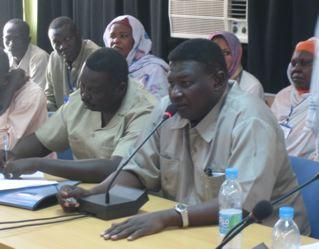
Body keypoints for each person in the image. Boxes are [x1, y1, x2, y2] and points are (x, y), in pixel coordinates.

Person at [57, 39, 309, 240]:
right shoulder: (168, 110)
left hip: (263, 237)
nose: (175, 93)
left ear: (218, 81)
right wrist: (92, 193)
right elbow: (137, 170)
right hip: (193, 229)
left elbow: (241, 205)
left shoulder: (249, 120)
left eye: (186, 83)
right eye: (171, 83)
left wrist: (167, 217)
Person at [2, 48, 156, 183]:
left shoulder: (145, 110)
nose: (84, 95)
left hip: (134, 199)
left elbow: (116, 168)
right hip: (80, 192)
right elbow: (42, 142)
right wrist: (10, 156)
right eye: (82, 86)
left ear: (120, 88)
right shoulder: (79, 100)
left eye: (94, 90)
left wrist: (37, 164)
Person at [103, 15, 169, 100]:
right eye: (112, 36)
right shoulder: (104, 68)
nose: (116, 41)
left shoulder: (154, 70)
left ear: (137, 40)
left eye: (123, 36)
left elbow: (159, 107)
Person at [271, 38, 316, 160]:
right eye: (294, 63)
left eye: (304, 63)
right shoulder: (283, 95)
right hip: (273, 165)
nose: (296, 69)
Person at [46, 16, 99, 111]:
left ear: (78, 35)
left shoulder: (95, 57)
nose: (62, 46)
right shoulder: (54, 58)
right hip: (60, 118)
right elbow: (49, 97)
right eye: (56, 43)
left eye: (67, 39)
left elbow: (96, 102)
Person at [0, 48, 47, 151]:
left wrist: (7, 96)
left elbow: (5, 146)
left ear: (4, 80)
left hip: (28, 165)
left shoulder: (32, 96)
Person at [209, 31, 264, 99]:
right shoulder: (202, 79)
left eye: (226, 53)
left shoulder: (251, 86)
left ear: (236, 54)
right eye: (215, 51)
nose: (220, 57)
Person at [3, 19, 49, 89]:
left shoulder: (39, 57)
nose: (11, 43)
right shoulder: (3, 56)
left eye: (16, 38)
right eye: (7, 38)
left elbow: (36, 93)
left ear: (28, 39)